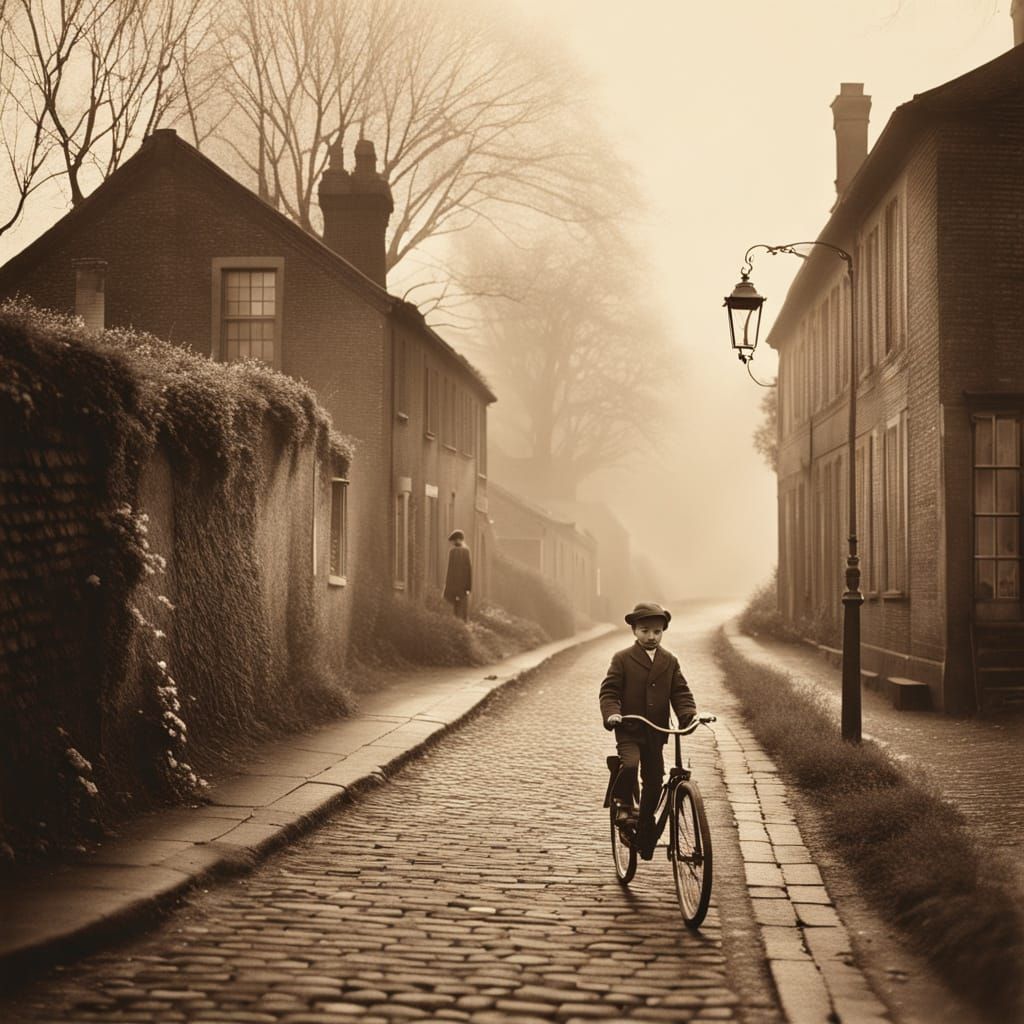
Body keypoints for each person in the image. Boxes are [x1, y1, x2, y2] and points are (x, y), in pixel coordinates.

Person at [599, 601, 697, 860]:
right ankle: (622, 801)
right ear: (634, 631)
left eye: (657, 631)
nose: (651, 636)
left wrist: (687, 715)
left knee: (654, 781)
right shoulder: (622, 658)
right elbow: (609, 691)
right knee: (630, 764)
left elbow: (680, 691)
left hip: (656, 731)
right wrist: (612, 714)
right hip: (629, 728)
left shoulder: (669, 661)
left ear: (663, 631)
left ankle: (644, 826)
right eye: (645, 631)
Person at [443, 529, 472, 620]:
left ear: (459, 540)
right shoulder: (465, 552)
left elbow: (450, 571)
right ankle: (460, 624)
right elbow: (468, 570)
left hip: (455, 586)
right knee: (461, 610)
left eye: (454, 540)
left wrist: (447, 588)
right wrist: (468, 587)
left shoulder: (453, 552)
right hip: (461, 586)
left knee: (455, 610)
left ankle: (456, 623)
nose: (453, 543)